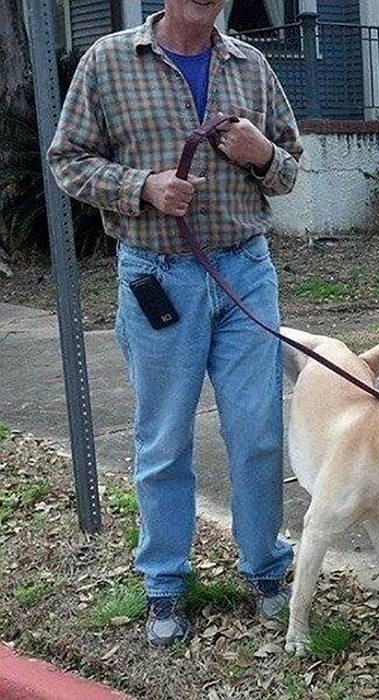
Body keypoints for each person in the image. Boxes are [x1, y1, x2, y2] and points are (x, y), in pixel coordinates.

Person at [48, 0, 303, 646]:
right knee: (163, 438)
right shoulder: (109, 62)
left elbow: (290, 171)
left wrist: (260, 150)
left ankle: (267, 569)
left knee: (259, 431)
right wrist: (143, 187)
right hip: (158, 274)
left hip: (245, 269)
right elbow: (67, 160)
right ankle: (164, 584)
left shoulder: (250, 65)